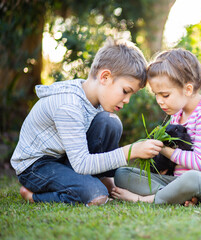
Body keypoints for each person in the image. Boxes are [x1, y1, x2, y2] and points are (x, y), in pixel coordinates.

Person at [10, 39, 164, 206]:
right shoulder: (69, 105)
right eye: (126, 91)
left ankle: (103, 181)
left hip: (63, 157)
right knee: (96, 196)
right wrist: (130, 151)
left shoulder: (95, 100)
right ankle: (33, 196)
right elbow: (82, 163)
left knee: (110, 122)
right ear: (105, 77)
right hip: (36, 166)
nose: (127, 100)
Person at [112, 48, 201, 206]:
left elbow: (199, 163)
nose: (159, 101)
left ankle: (148, 199)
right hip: (176, 182)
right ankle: (177, 197)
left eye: (165, 95)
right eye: (156, 95)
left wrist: (163, 150)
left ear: (188, 89)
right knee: (122, 174)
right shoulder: (177, 114)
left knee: (193, 178)